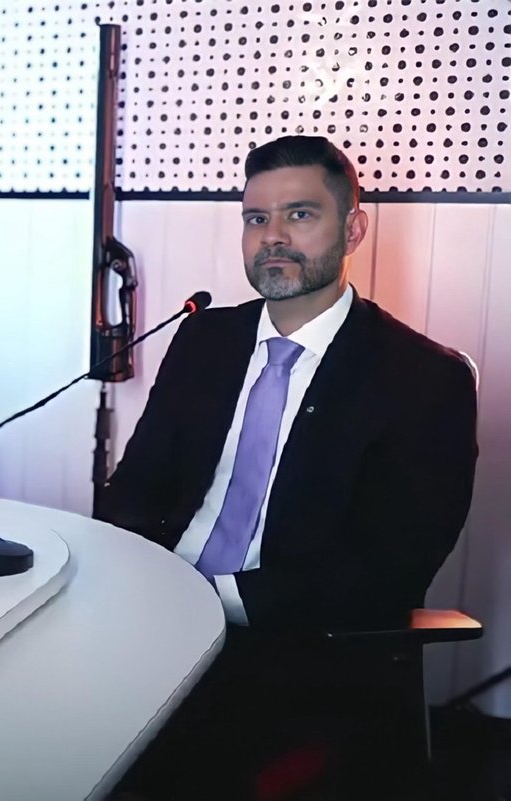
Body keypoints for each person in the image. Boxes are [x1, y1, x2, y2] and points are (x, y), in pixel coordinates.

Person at [103, 135, 479, 798]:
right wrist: (130, 582)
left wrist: (213, 601)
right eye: (257, 218)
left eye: (300, 214)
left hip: (297, 648)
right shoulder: (205, 338)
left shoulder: (423, 378)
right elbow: (135, 488)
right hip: (155, 622)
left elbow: (392, 566)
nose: (273, 236)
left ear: (353, 228)